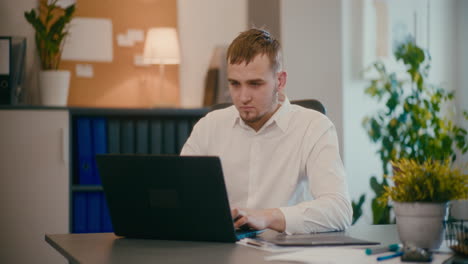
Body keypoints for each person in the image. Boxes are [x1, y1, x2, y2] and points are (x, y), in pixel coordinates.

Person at [181, 28, 352, 234]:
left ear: (280, 81)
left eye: (255, 84)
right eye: (235, 84)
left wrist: (268, 217)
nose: (243, 97)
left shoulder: (314, 127)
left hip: (286, 251)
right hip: (222, 251)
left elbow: (339, 210)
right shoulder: (209, 126)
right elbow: (181, 194)